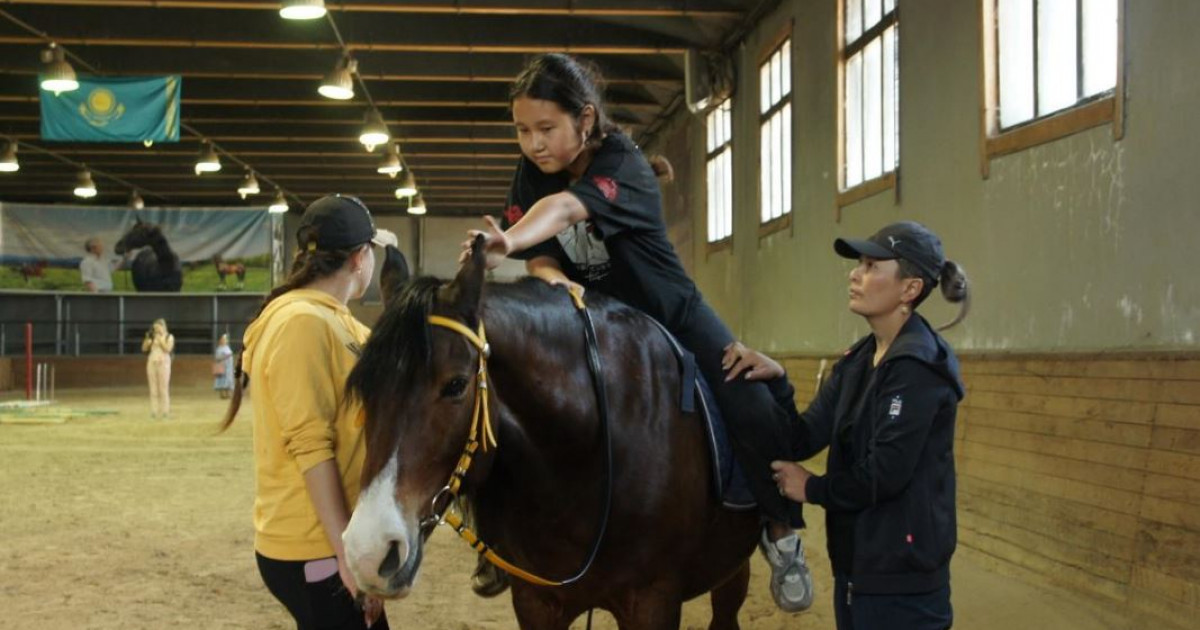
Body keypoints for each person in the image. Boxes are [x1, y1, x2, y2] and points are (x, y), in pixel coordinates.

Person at [461, 52, 813, 612]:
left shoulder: (621, 162)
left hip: (670, 313)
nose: (534, 144)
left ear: (585, 118)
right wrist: (554, 279)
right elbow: (544, 257)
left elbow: (563, 209)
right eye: (523, 131)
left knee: (749, 397)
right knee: (517, 403)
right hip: (595, 319)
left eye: (546, 128)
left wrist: (508, 239)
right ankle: (505, 540)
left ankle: (779, 527)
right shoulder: (529, 173)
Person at [729, 221, 969, 630]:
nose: (855, 274)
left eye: (872, 266)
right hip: (857, 569)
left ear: (910, 289)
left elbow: (886, 473)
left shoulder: (917, 367)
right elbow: (802, 437)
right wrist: (778, 381)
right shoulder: (858, 360)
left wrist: (813, 488)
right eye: (859, 263)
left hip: (902, 582)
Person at [219, 195, 397, 630]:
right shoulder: (302, 322)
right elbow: (311, 445)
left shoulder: (339, 322)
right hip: (314, 544)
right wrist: (345, 555)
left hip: (335, 539)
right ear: (359, 258)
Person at [141, 318, 174, 420]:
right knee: (153, 389)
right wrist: (147, 341)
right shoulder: (152, 337)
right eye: (154, 328)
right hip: (152, 362)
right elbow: (144, 349)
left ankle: (165, 412)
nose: (156, 330)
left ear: (163, 327)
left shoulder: (169, 337)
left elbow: (167, 349)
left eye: (158, 328)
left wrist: (160, 340)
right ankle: (154, 412)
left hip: (164, 363)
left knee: (163, 389)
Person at [213, 333, 234, 400]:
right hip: (222, 367)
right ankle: (222, 394)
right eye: (223, 339)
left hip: (228, 368)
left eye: (225, 339)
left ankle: (228, 394)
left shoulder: (227, 348)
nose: (224, 341)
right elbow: (217, 358)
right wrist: (225, 356)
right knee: (221, 380)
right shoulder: (219, 349)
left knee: (228, 380)